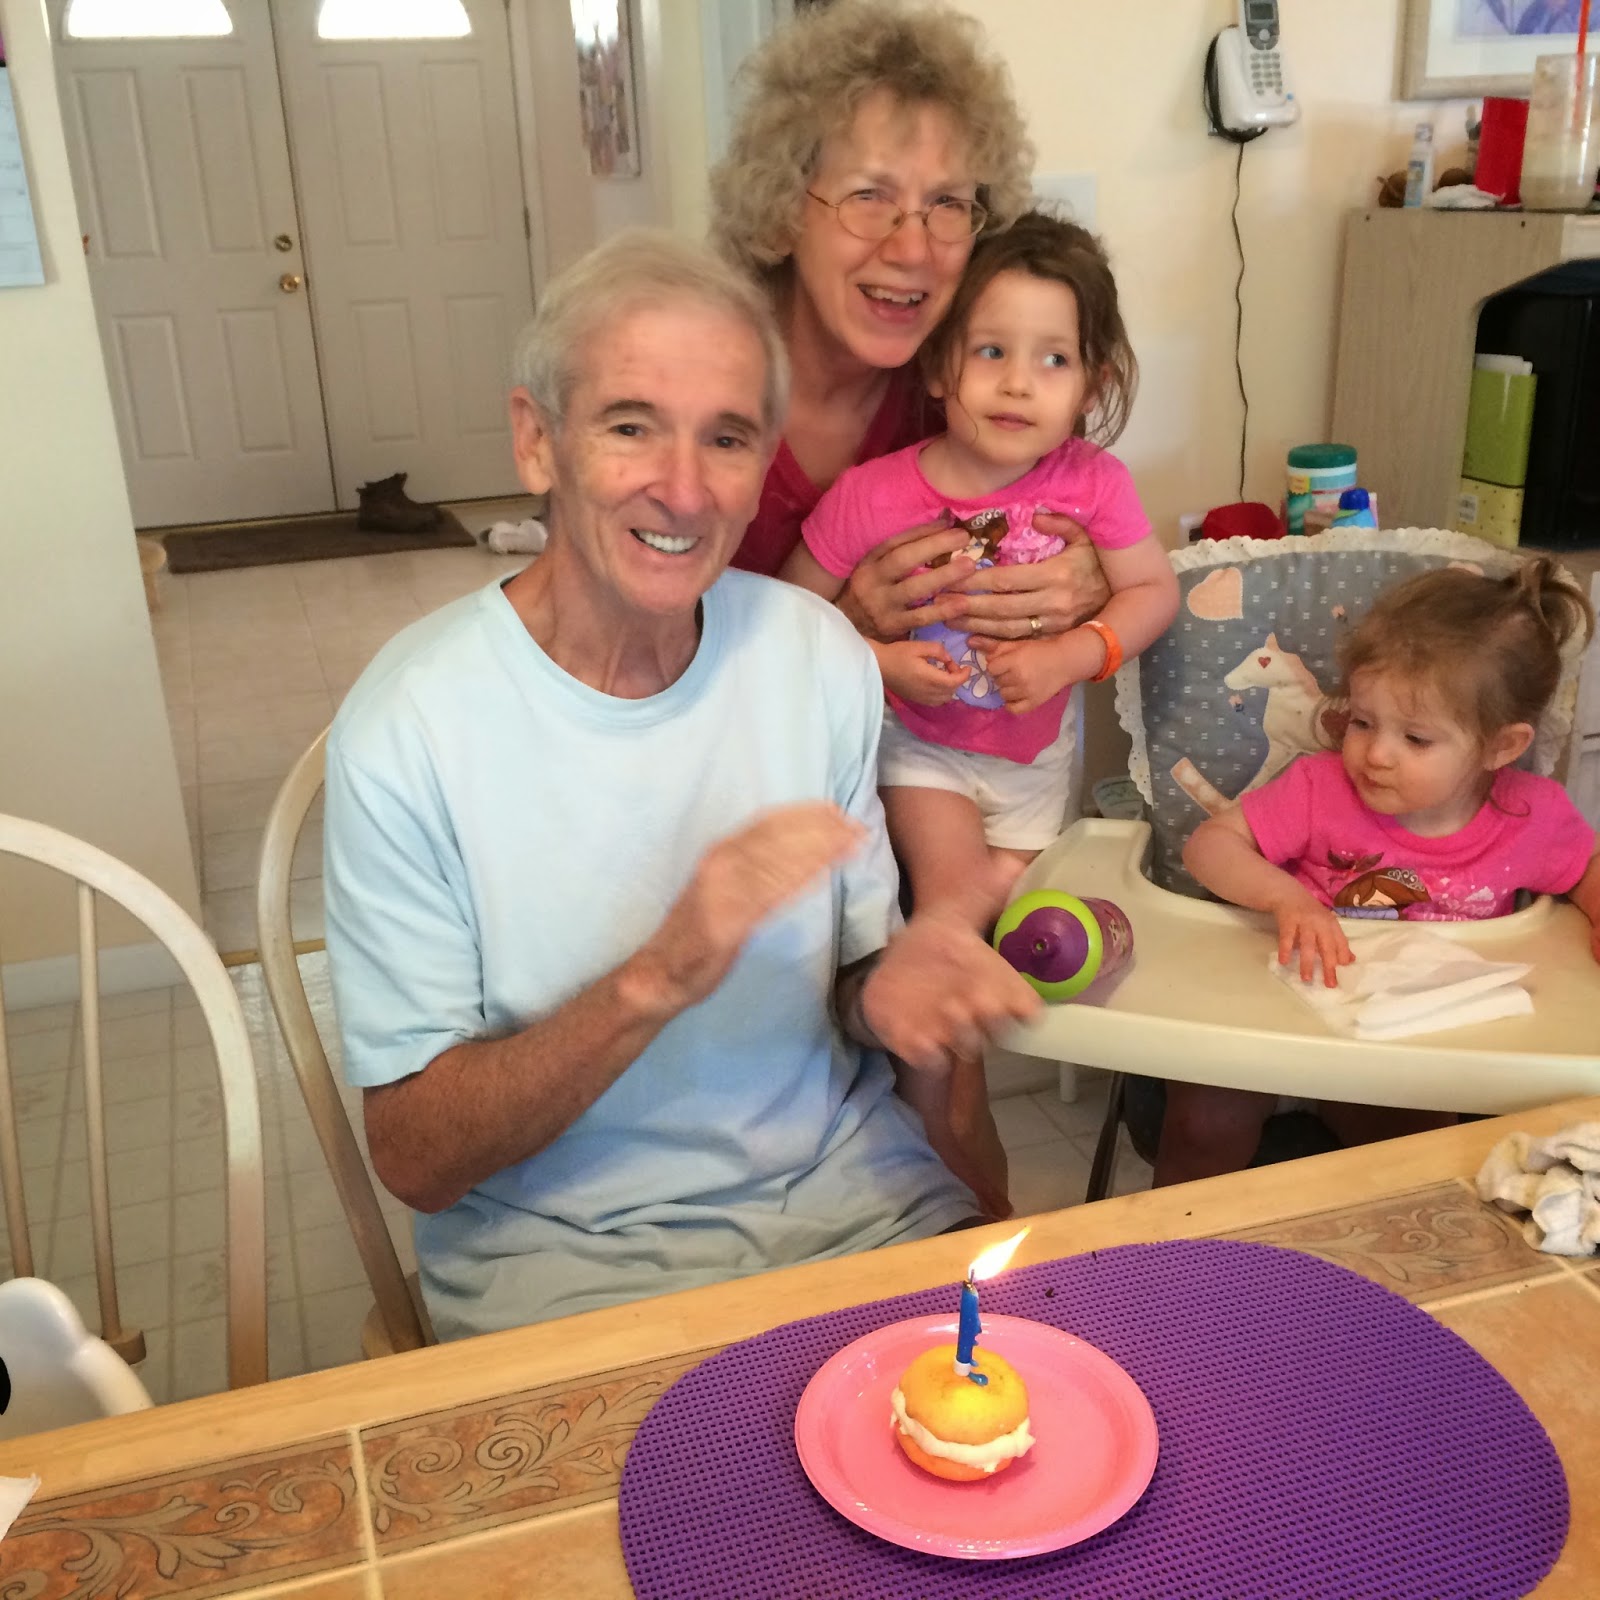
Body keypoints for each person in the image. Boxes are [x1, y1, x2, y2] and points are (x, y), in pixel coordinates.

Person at [322, 231, 1041, 1340]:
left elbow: (849, 992)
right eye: (630, 426)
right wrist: (659, 977)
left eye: (727, 437)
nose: (684, 489)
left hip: (858, 1215)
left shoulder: (816, 656)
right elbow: (417, 1158)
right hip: (567, 1271)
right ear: (537, 441)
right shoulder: (410, 728)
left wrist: (895, 987)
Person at [780, 213, 1178, 1204]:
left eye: (1052, 359)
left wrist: (1070, 654)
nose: (1016, 383)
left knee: (1008, 889)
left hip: (1036, 764)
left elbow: (1152, 594)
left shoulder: (1094, 486)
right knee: (958, 885)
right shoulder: (872, 495)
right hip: (922, 751)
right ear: (938, 366)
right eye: (991, 351)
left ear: (1092, 384)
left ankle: (938, 992)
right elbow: (788, 618)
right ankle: (934, 979)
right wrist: (877, 661)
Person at [1168, 558, 1600, 1186]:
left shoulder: (1531, 817)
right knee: (1200, 1125)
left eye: (1416, 739)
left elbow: (1586, 867)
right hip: (1274, 1015)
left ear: (1500, 746)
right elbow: (1210, 846)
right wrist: (1287, 898)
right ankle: (1167, 1243)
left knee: (1423, 1157)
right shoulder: (1320, 789)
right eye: (1363, 722)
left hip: (1400, 1042)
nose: (1376, 753)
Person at [709, 0, 1111, 651]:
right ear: (784, 210)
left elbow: (1074, 500)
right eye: (868, 196)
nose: (912, 249)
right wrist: (843, 629)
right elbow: (644, 653)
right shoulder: (702, 390)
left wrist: (1095, 571)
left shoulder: (973, 387)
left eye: (947, 202)